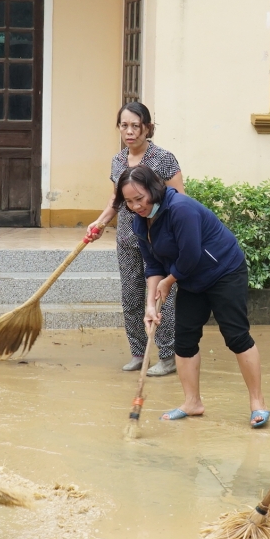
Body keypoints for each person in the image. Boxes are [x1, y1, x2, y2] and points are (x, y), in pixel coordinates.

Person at [120, 165, 269, 426]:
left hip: (223, 270)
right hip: (189, 278)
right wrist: (150, 306)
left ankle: (258, 403)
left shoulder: (181, 209)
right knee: (184, 338)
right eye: (129, 202)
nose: (136, 206)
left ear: (154, 190)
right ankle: (192, 402)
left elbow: (190, 256)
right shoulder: (139, 223)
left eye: (140, 199)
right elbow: (153, 266)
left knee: (236, 335)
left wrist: (168, 281)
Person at [86, 102, 182, 375]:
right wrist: (101, 222)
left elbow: (180, 200)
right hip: (128, 238)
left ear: (147, 128)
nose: (129, 131)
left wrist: (172, 234)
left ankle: (167, 355)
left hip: (159, 239)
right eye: (124, 125)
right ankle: (139, 353)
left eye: (135, 126)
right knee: (131, 296)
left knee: (163, 296)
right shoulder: (118, 161)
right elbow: (115, 200)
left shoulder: (163, 158)